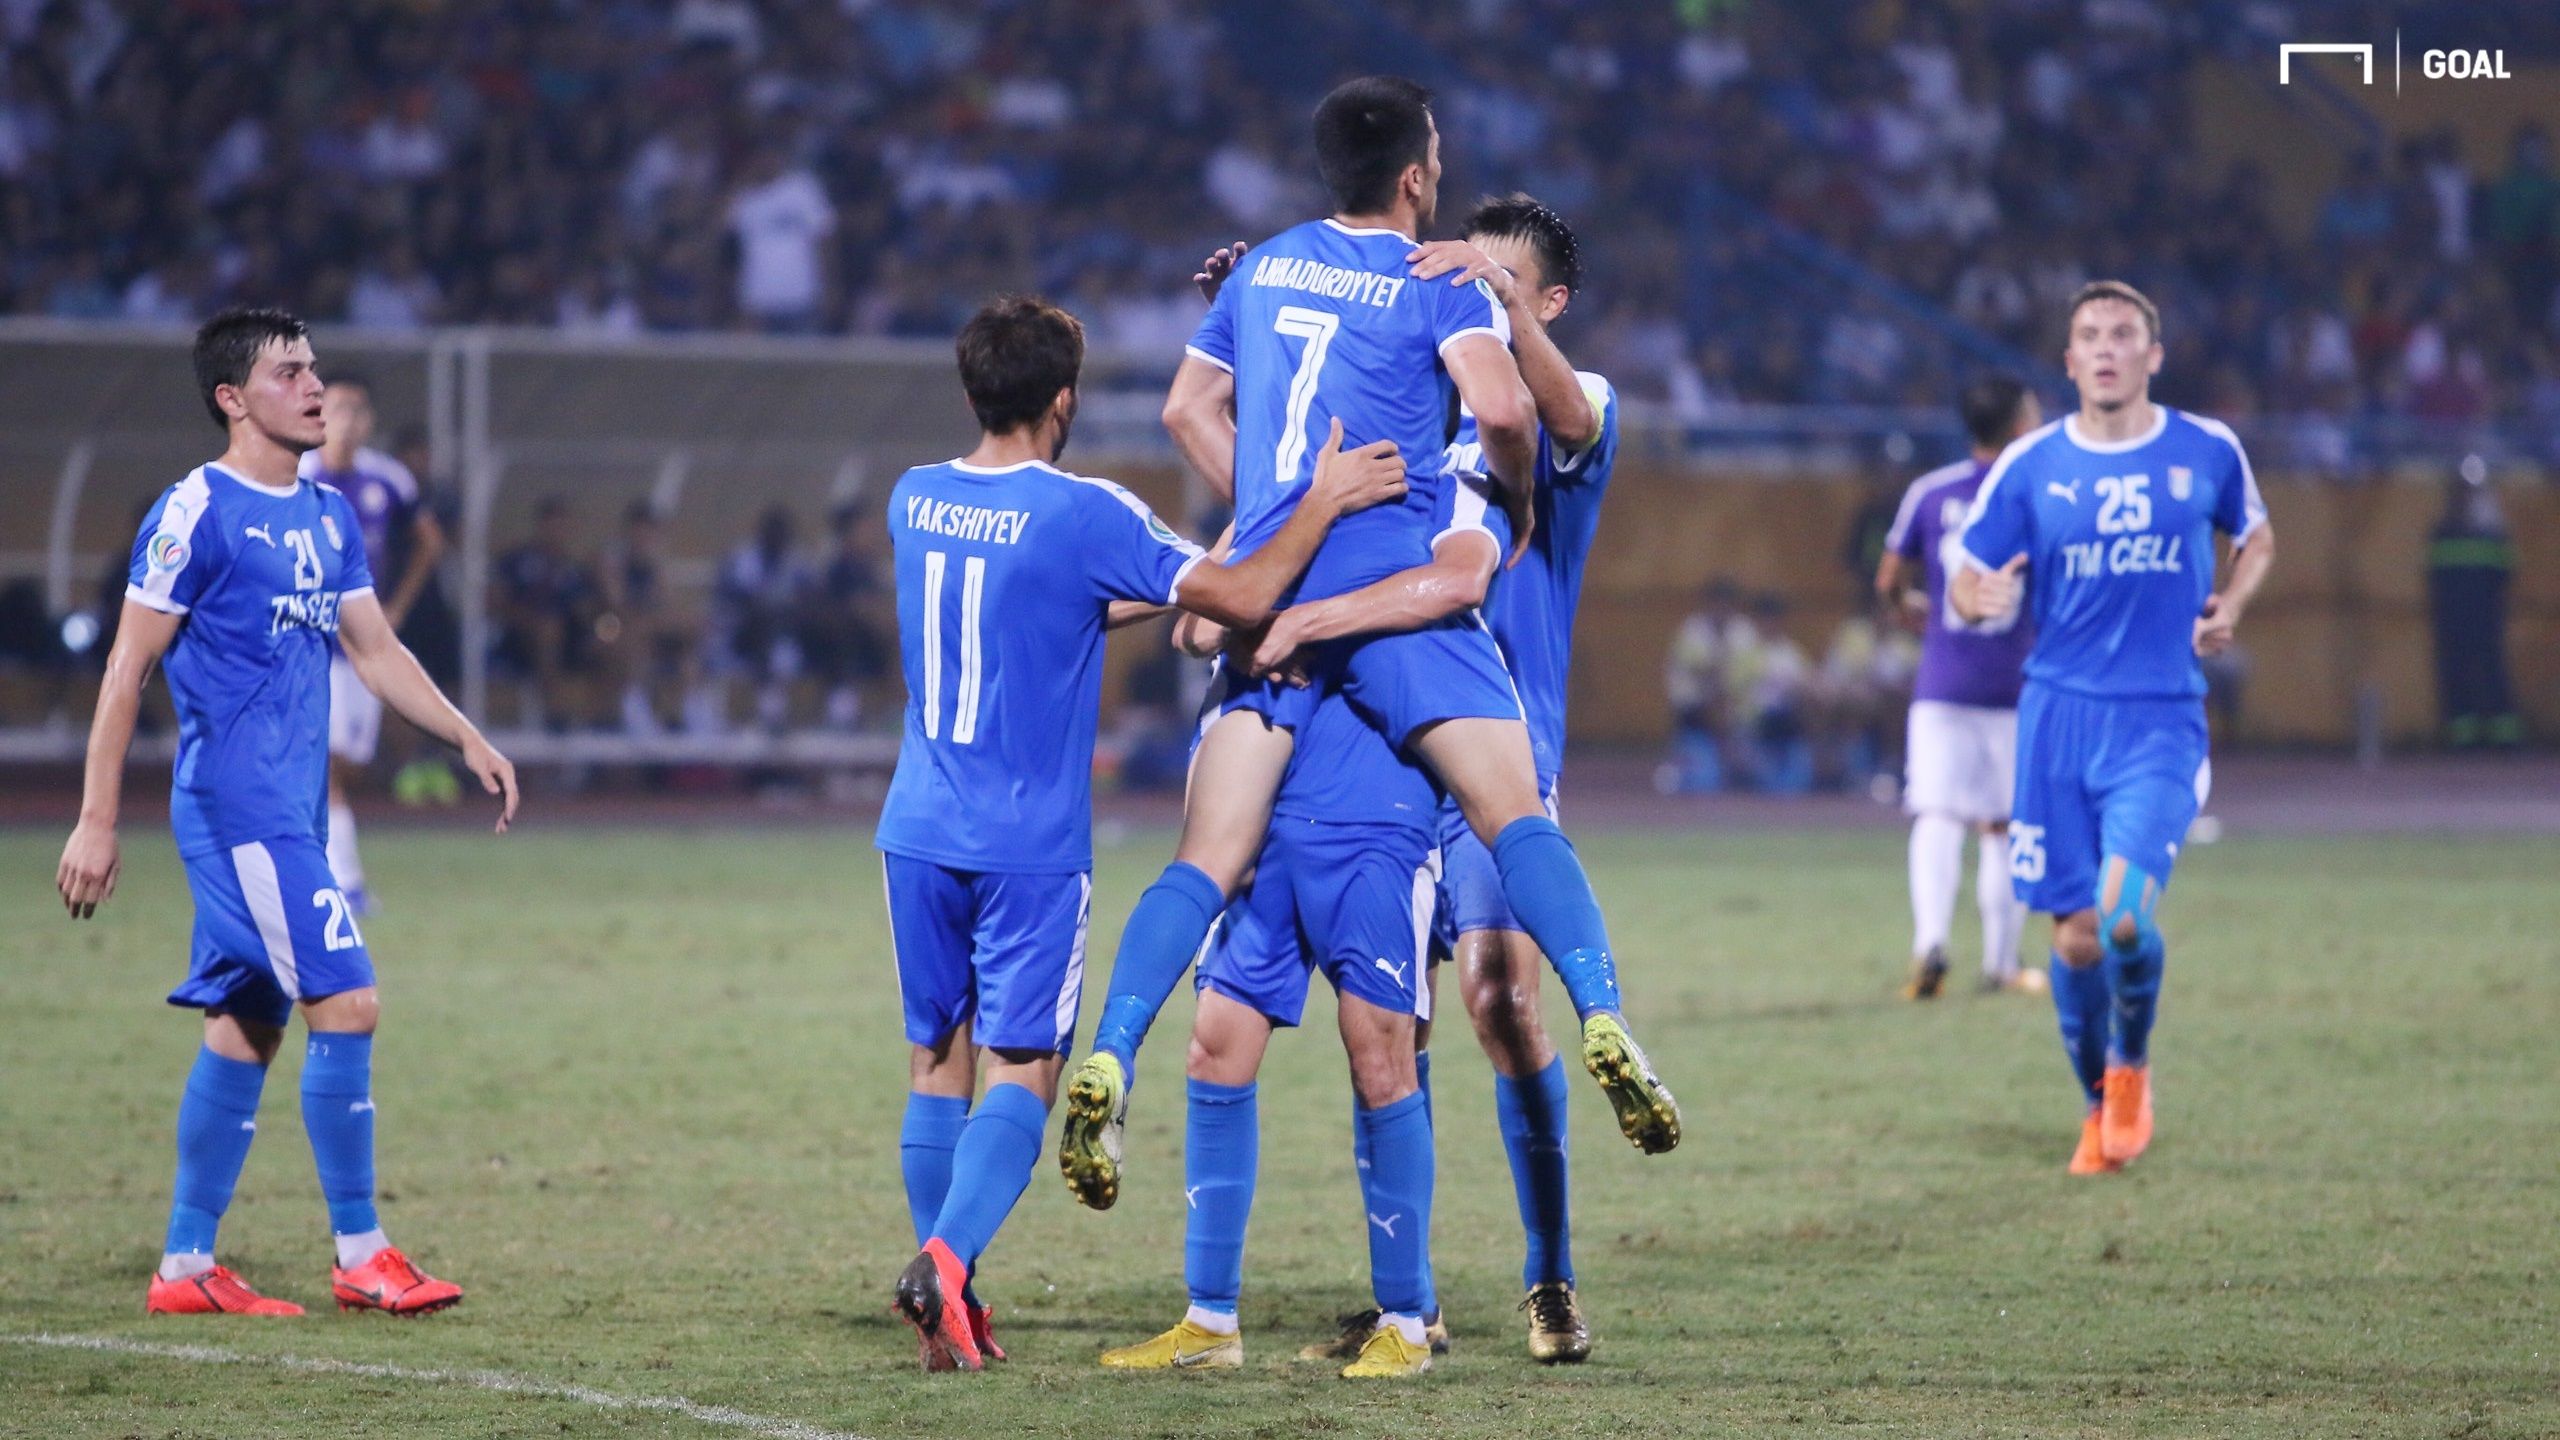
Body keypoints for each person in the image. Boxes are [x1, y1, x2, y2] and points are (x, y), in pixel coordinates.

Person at [1060, 79, 1678, 1218]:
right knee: (1499, 859)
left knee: (1210, 864)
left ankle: (1112, 1049)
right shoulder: (1428, 292)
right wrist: (1510, 491)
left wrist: (1269, 522)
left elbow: (1187, 413)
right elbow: (1498, 441)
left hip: (1283, 606)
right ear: (1415, 176)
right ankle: (1601, 1014)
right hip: (1411, 628)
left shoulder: (1272, 269)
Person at [877, 295, 1408, 1372]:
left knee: (937, 1061)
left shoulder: (914, 496)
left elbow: (1053, 594)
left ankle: (953, 1307)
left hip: (916, 827)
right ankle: (945, 1263)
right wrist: (1319, 498)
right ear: (1063, 400)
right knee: (1023, 1073)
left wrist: (1180, 569)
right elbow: (1242, 596)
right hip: (1025, 847)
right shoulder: (1085, 512)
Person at [55, 307, 518, 1316]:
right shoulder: (195, 511)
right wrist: (96, 818)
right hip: (240, 812)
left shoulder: (326, 513)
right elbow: (127, 667)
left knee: (248, 1026)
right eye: (290, 373)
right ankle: (361, 1250)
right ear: (232, 398)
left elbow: (375, 650)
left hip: (291, 810)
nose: (315, 388)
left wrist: (464, 736)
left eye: (314, 369)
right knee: (348, 1004)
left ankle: (186, 1267)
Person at [1245, 193, 1615, 1364]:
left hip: (1502, 753)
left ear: (1547, 300)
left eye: (1494, 280)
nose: (1465, 293)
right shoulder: (1414, 418)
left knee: (1501, 1002)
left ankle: (1549, 1280)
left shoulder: (1572, 405)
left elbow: (1554, 413)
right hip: (1389, 754)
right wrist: (1257, 300)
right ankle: (1408, 1300)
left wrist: (1495, 305)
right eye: (1456, 276)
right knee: (1385, 1023)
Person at [1951, 281, 2275, 1175]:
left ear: (2152, 355)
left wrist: (2232, 602)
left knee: (2124, 917)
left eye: (2123, 333)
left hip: (2160, 720)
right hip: (2056, 721)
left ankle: (2132, 1062)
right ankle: (2098, 1102)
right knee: (2076, 937)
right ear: (2068, 361)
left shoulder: (2206, 448)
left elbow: (2256, 537)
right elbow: (1967, 576)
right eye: (2089, 334)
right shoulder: (2031, 464)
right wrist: (1979, 597)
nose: (2105, 347)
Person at [1875, 374, 2042, 997]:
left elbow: (1888, 578)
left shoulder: (1931, 491)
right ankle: (2001, 963)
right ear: (2020, 424)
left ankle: (1930, 945)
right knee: (2004, 825)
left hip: (1943, 683)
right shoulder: (2036, 495)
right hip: (2017, 685)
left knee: (1937, 814)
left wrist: (1907, 607)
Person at [299, 372, 447, 914]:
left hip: (361, 645)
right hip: (306, 641)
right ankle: (343, 881)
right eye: (337, 407)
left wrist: (398, 605)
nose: (347, 420)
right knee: (323, 763)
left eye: (358, 410)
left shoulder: (388, 480)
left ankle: (330, 872)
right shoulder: (295, 473)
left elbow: (430, 542)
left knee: (349, 765)